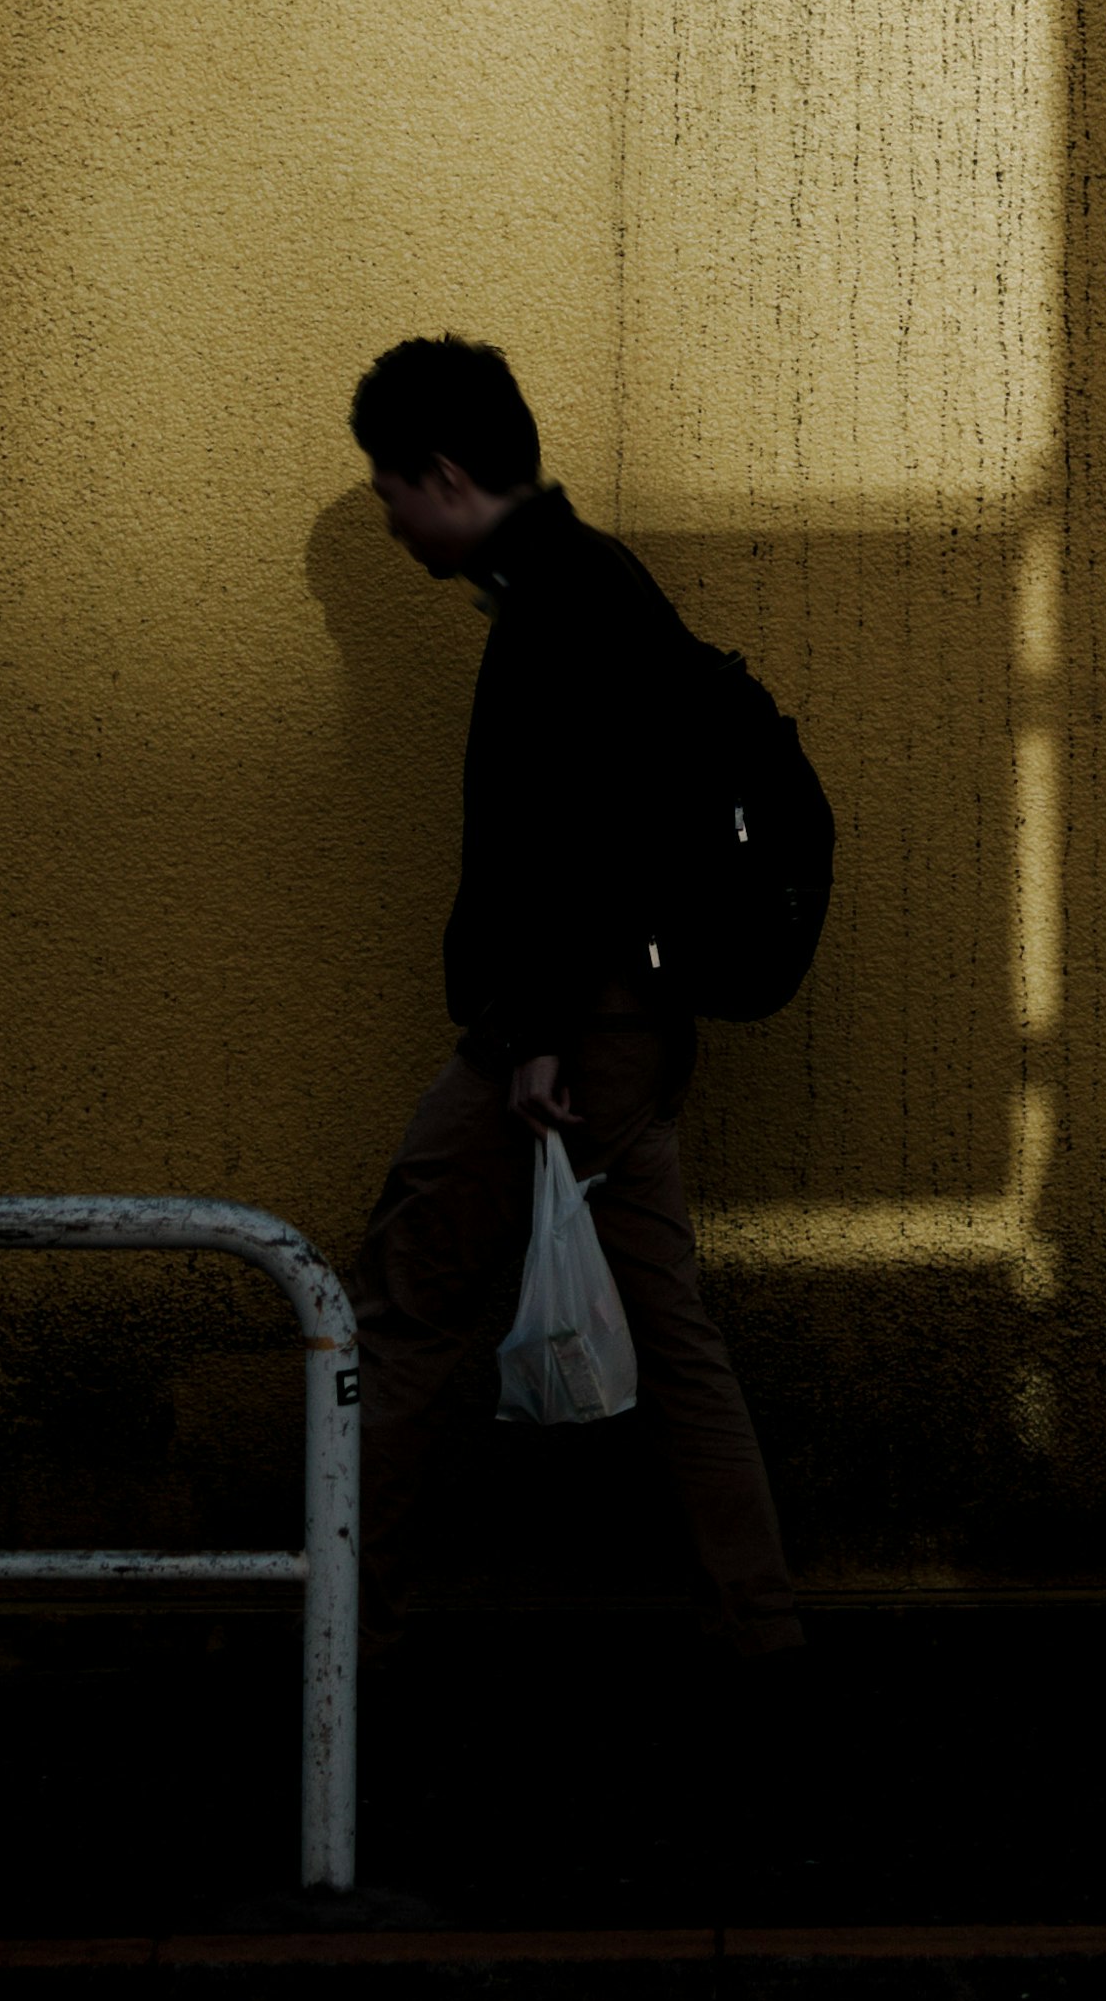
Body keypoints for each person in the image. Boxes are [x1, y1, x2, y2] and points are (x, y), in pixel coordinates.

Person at [344, 331, 804, 1658]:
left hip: (565, 1034)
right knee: (667, 1325)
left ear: (440, 473)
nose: (386, 519)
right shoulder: (590, 585)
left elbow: (580, 837)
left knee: (404, 1305)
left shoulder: (561, 604)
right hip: (622, 1026)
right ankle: (758, 1623)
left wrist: (537, 1039)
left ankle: (338, 1629)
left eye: (388, 489)